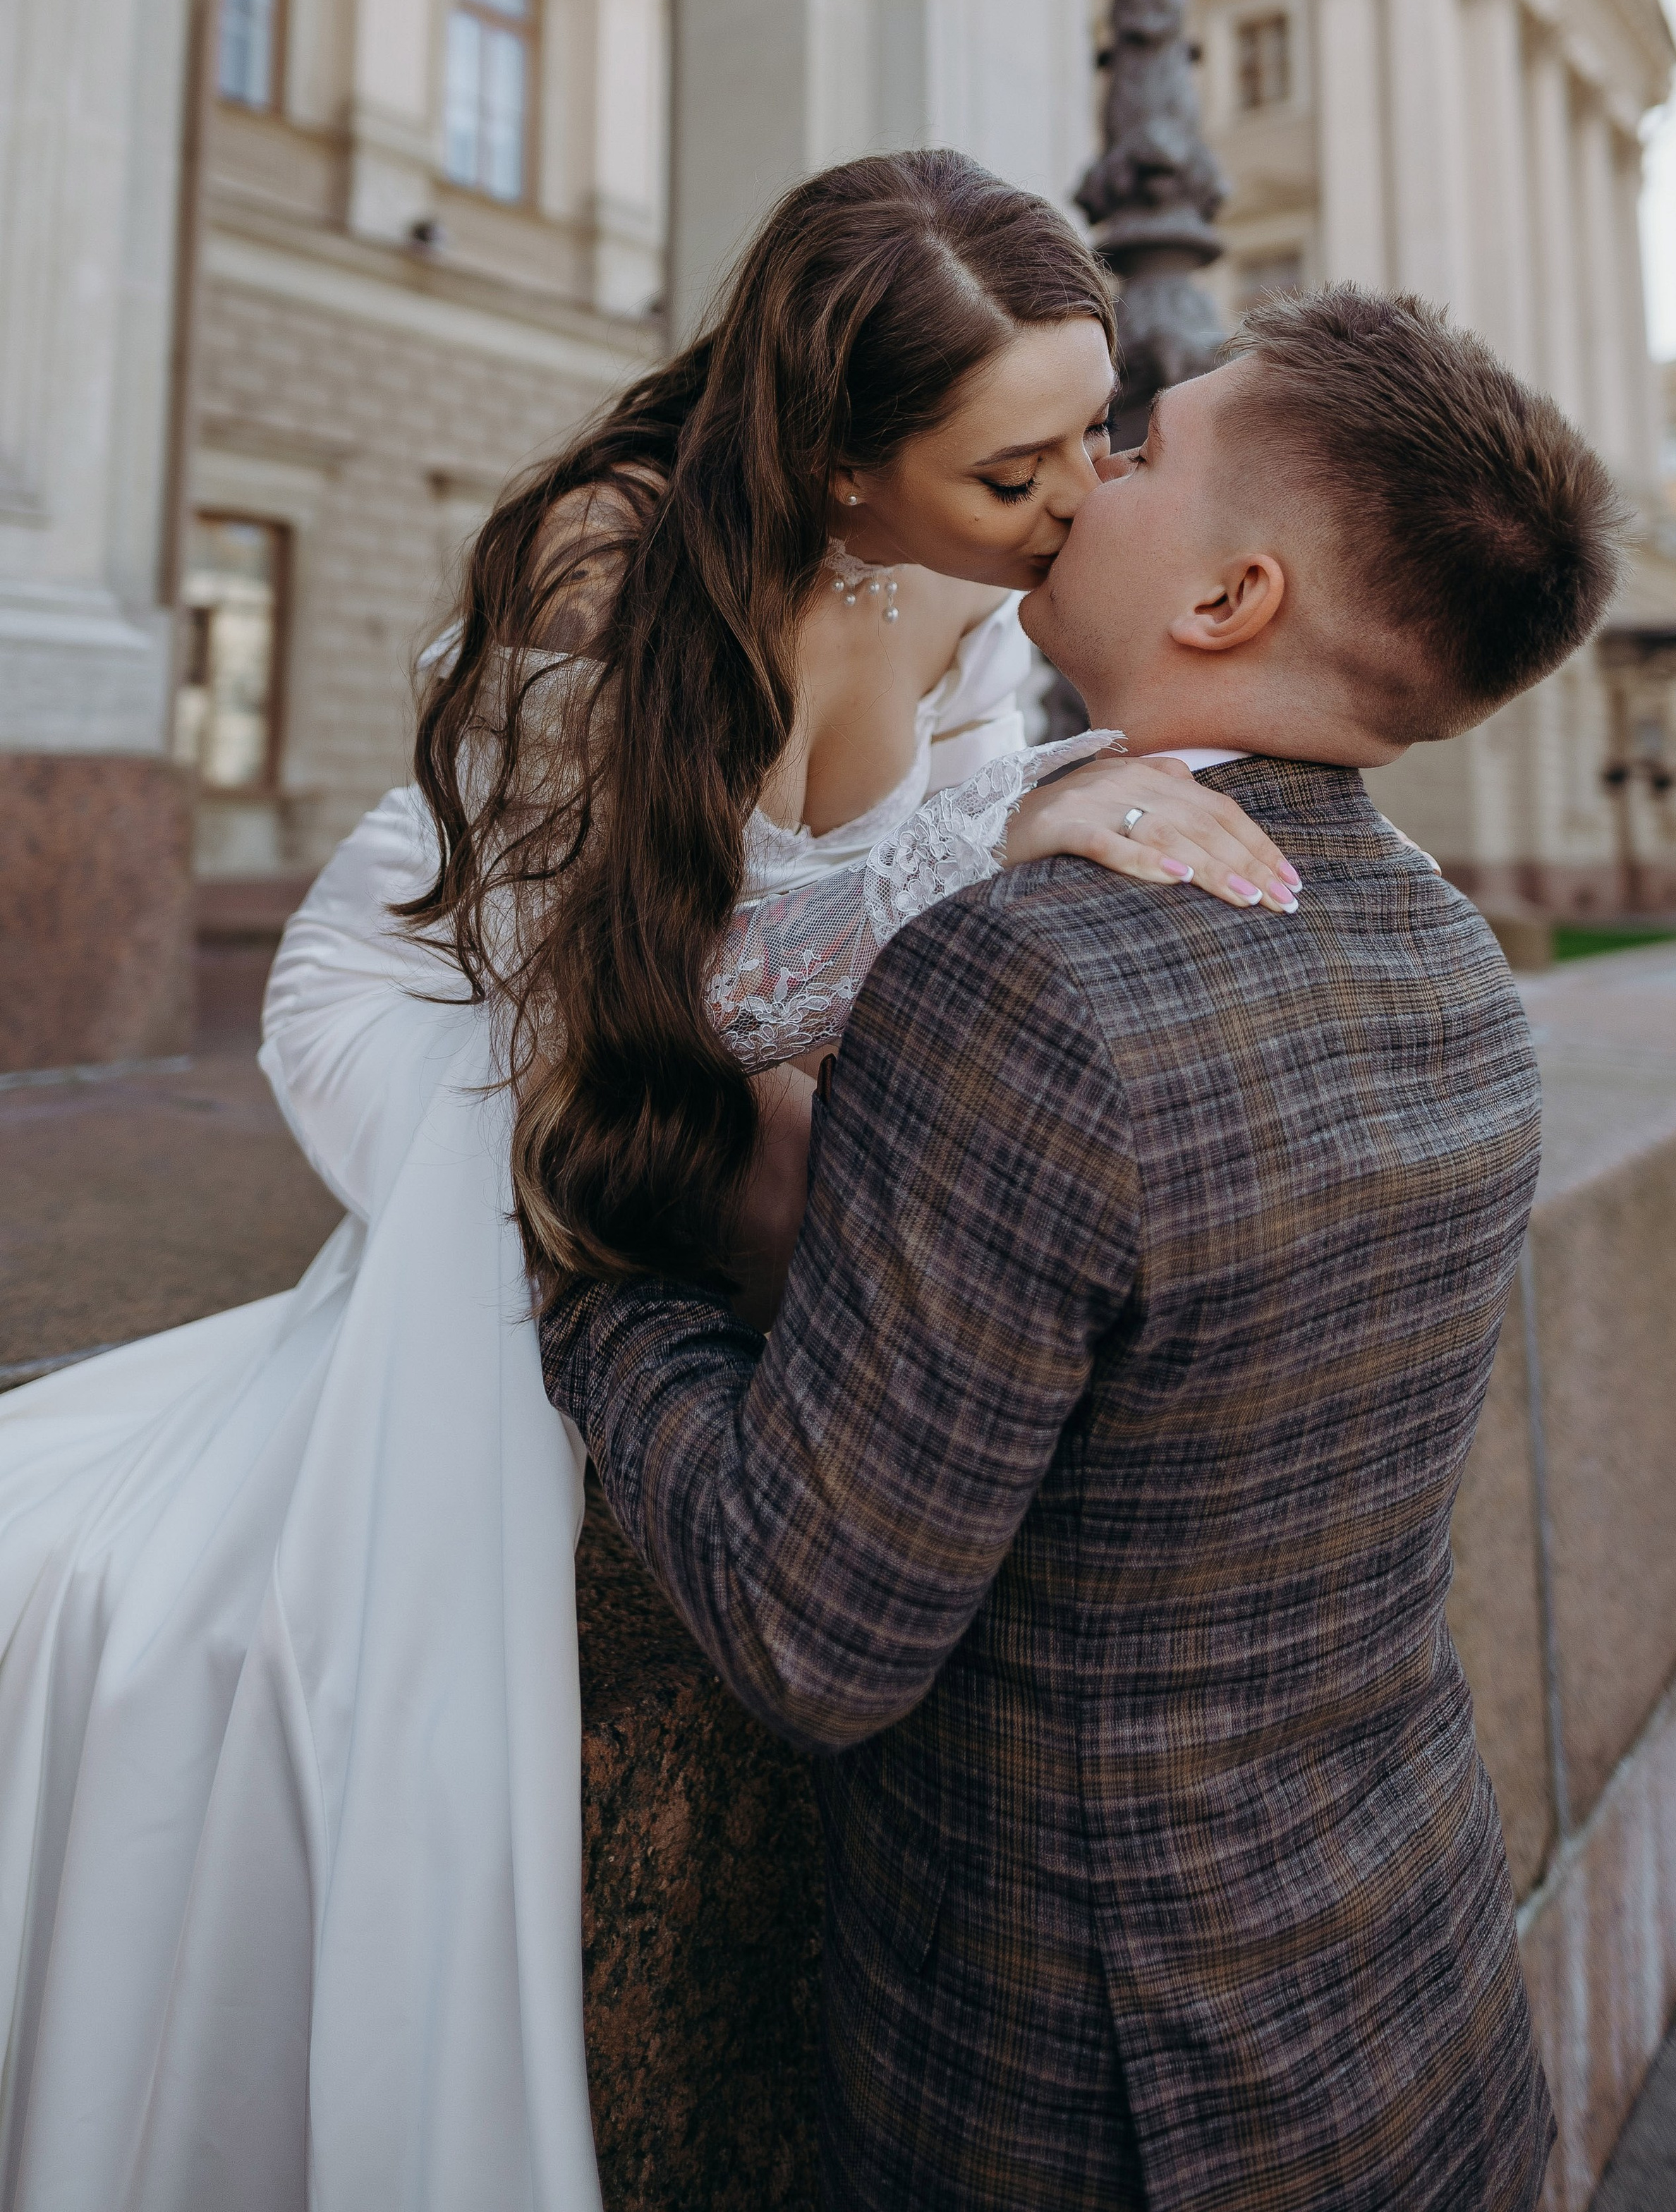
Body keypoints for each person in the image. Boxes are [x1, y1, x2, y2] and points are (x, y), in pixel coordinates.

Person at [0, 151, 1293, 2212]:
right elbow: (586, 1008)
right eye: (1012, 472)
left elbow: (876, 911)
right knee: (502, 1314)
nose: (1074, 510)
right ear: (838, 462)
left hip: (693, 1009)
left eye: (1096, 439)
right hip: (448, 997)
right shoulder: (607, 577)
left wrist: (1051, 819)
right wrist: (880, 994)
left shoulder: (972, 581)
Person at [541, 284, 1627, 2212]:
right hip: (1414, 2000)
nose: (1088, 474)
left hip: (1095, 2084)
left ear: (1227, 601)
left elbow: (811, 1626)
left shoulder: (1030, 984)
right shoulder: (1453, 956)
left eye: (1139, 449)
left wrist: (601, 1304)